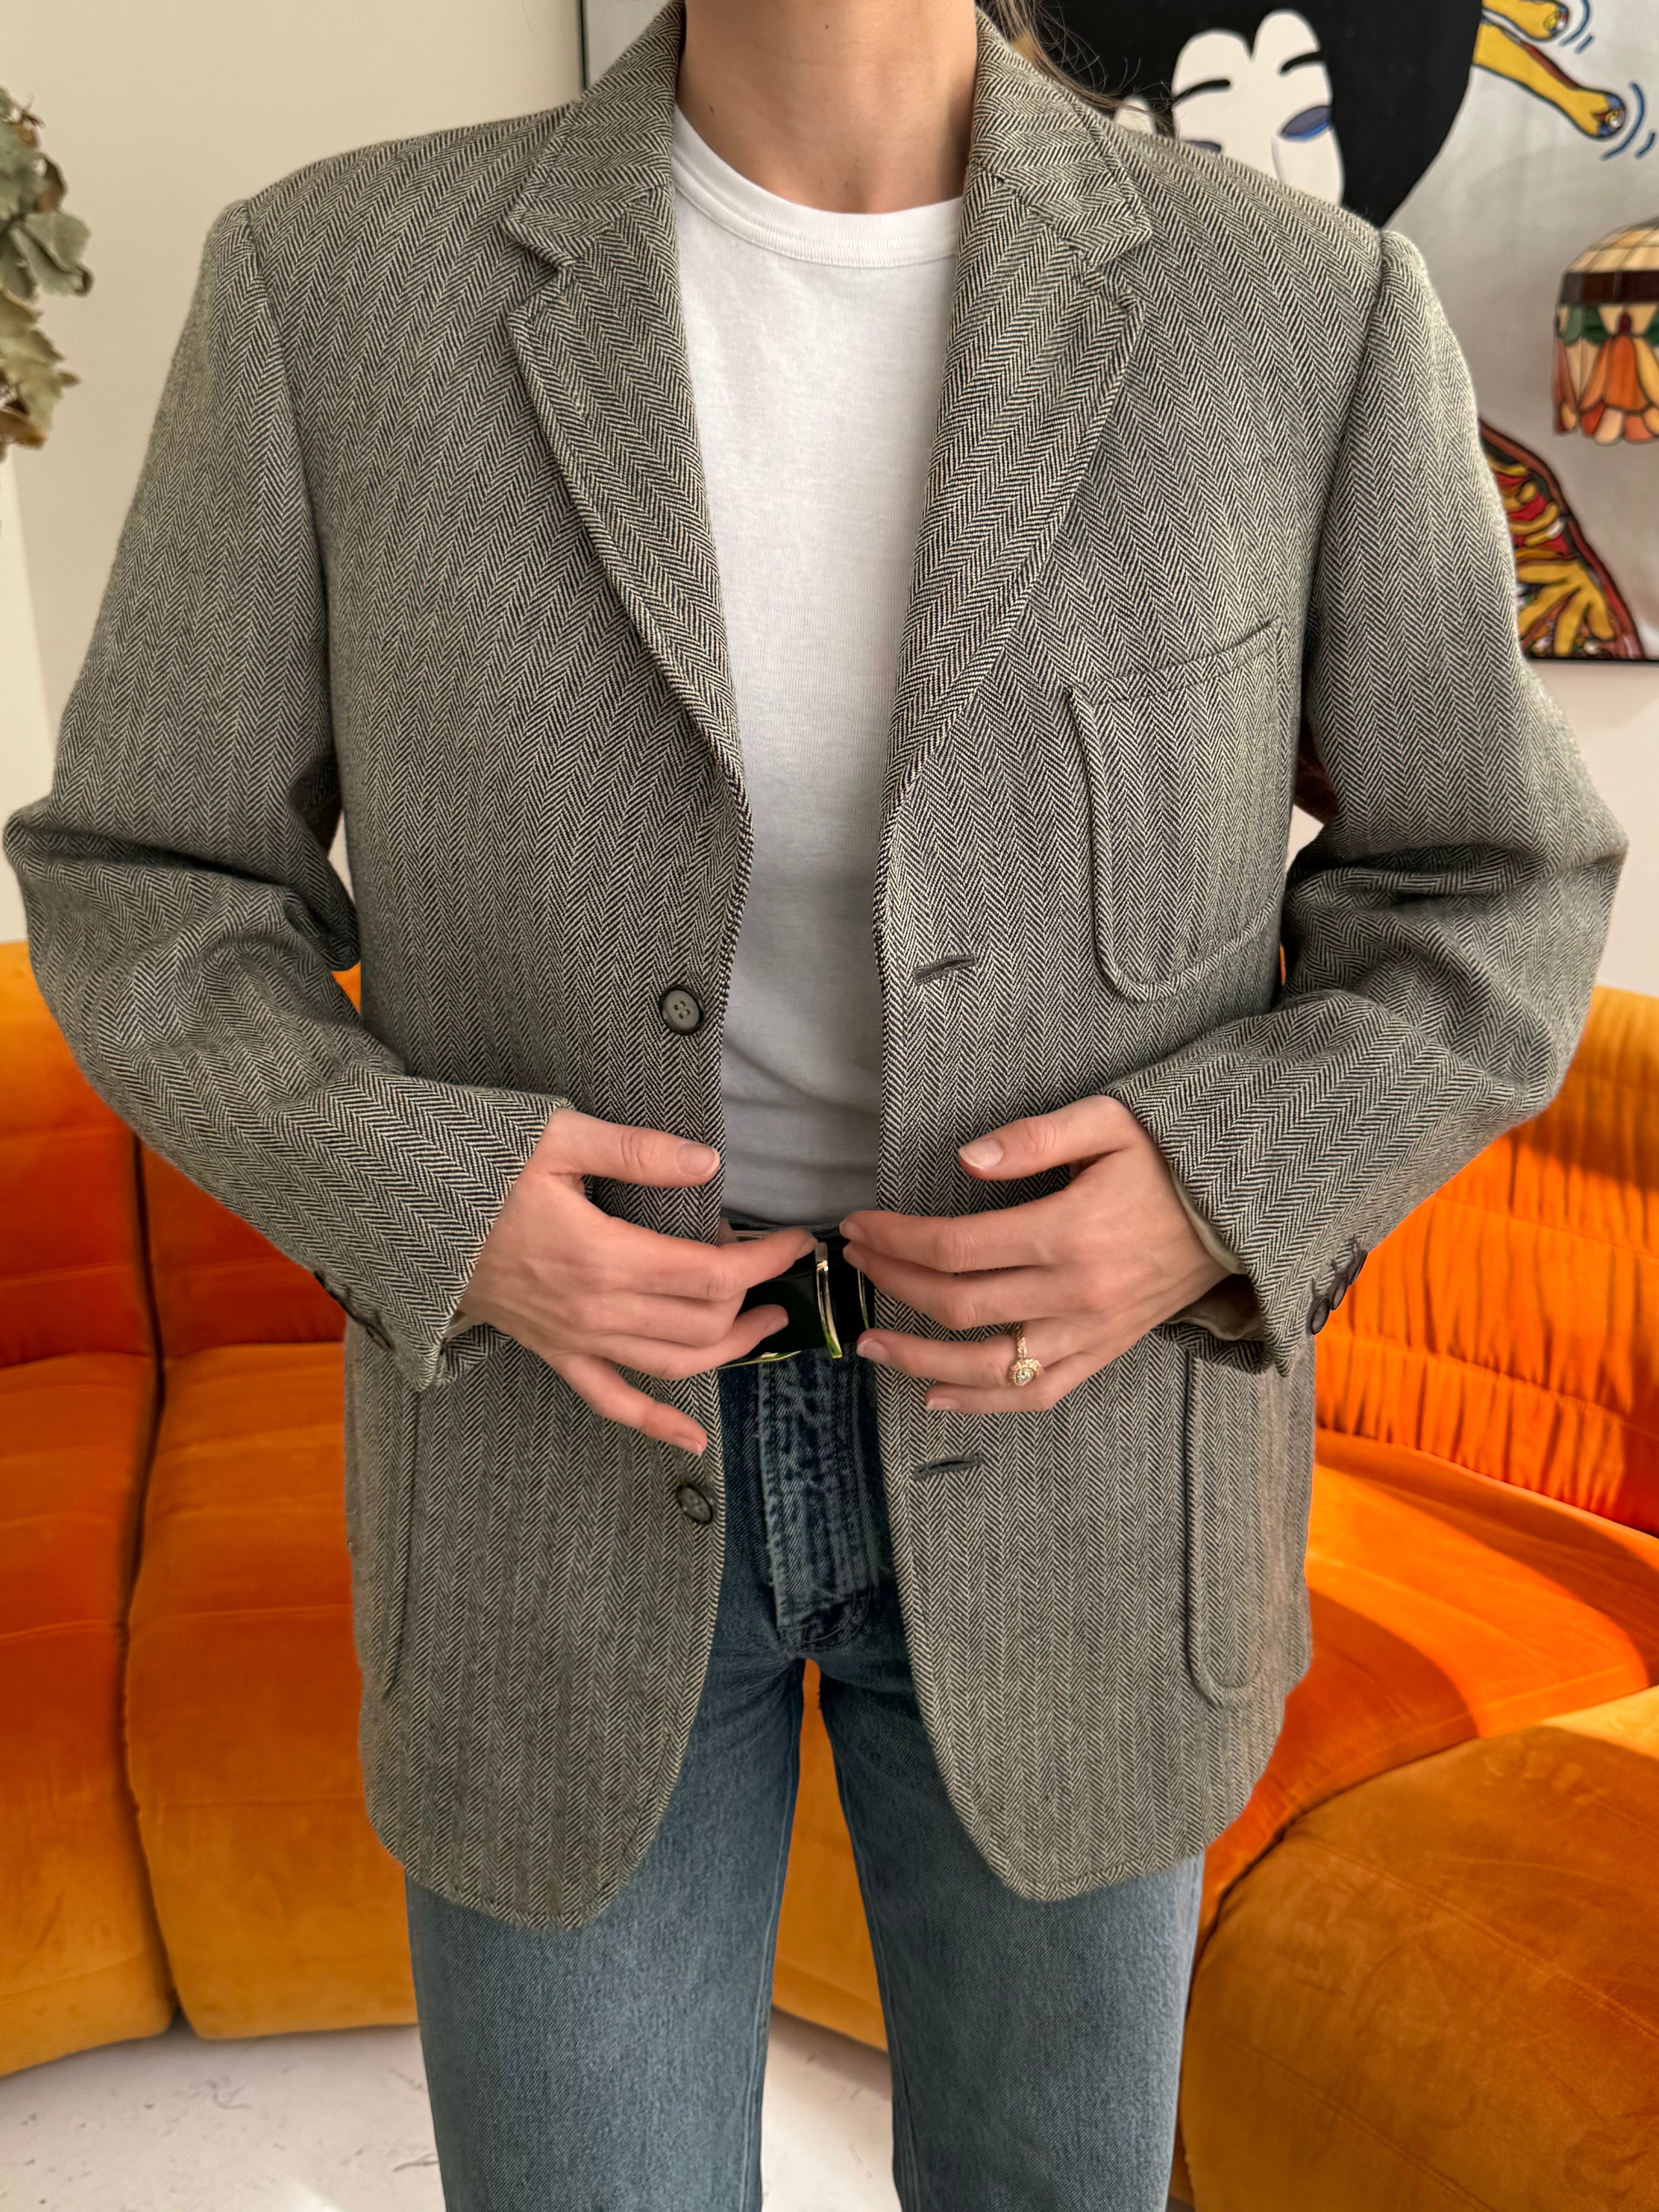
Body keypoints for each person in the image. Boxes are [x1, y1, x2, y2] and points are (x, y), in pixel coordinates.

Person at [4, 0, 1625, 2202]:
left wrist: (1210, 1187)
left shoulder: (1292, 313)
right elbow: (147, 881)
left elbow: (1489, 882)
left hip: (1086, 1476)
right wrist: (431, 1197)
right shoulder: (334, 291)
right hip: (549, 1465)